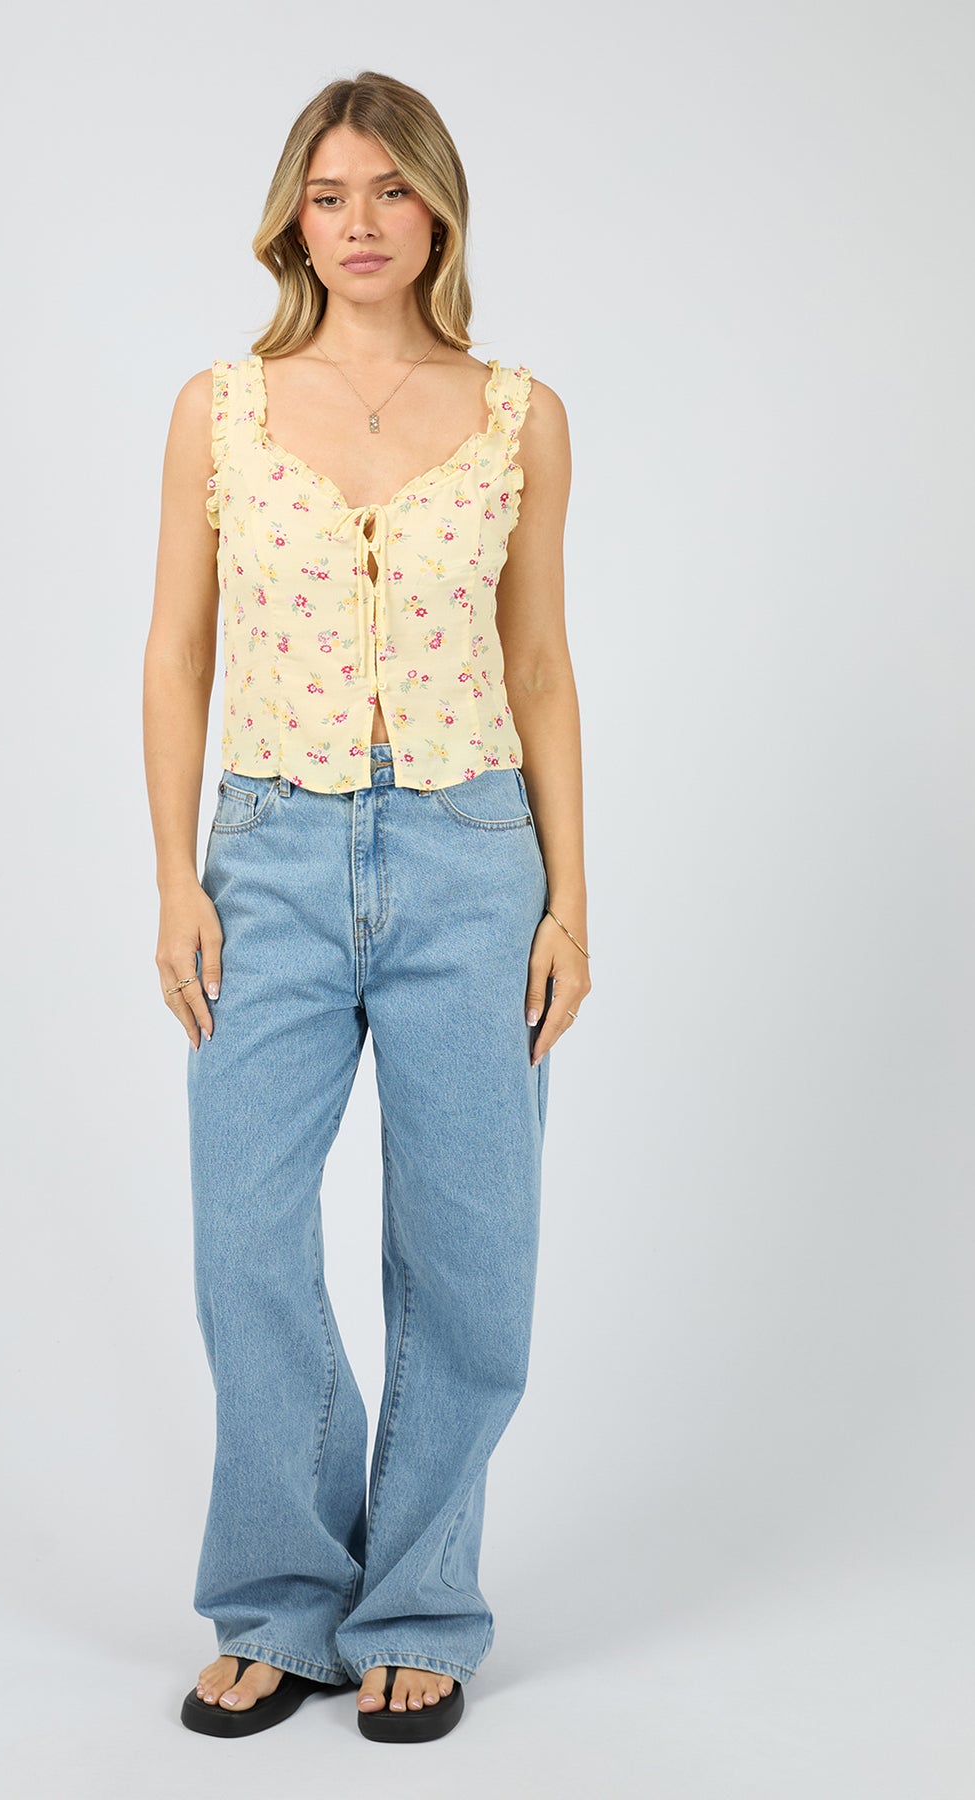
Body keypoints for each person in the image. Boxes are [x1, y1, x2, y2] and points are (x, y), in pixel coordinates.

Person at [143, 69, 589, 1743]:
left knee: (471, 1254)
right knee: (245, 1243)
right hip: (266, 851)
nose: (360, 223)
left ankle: (418, 1607)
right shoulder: (221, 409)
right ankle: (281, 1598)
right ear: (293, 219)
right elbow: (174, 655)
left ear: (439, 209)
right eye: (330, 194)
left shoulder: (521, 414)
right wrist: (173, 876)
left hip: (475, 860)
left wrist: (571, 901)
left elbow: (538, 664)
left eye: (391, 191)